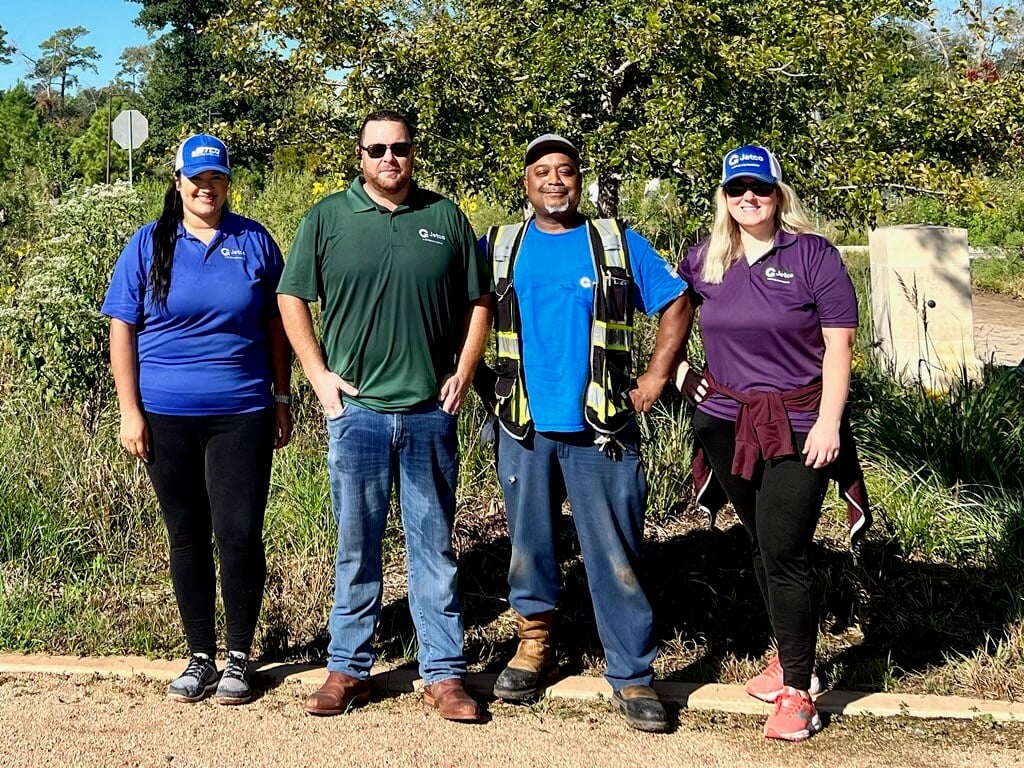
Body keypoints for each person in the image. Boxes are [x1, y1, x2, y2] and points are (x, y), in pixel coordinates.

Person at [277, 110, 493, 722]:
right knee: (356, 547)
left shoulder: (444, 216)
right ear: (360, 155)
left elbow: (480, 299)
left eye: (399, 148)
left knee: (433, 549)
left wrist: (466, 369)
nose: (389, 159)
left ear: (413, 153)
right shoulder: (328, 217)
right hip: (358, 413)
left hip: (429, 410)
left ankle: (445, 675)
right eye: (377, 149)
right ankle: (348, 667)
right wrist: (318, 378)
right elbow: (291, 296)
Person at [476, 134, 691, 733]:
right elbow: (459, 310)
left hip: (604, 427)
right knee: (529, 543)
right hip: (521, 422)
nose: (554, 181)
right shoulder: (497, 245)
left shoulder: (616, 243)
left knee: (616, 551)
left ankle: (632, 673)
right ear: (525, 181)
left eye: (565, 171)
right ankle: (534, 645)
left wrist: (656, 374)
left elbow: (676, 301)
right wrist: (469, 378)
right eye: (541, 170)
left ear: (580, 180)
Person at [677, 145, 869, 742]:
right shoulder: (704, 259)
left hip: (799, 421)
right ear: (724, 197)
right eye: (737, 190)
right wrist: (679, 372)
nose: (748, 199)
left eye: (759, 187)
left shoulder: (813, 256)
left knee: (786, 549)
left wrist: (830, 423)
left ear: (779, 192)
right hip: (723, 421)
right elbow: (665, 314)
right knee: (762, 543)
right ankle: (789, 658)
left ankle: (798, 691)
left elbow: (839, 348)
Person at [102, 134, 293, 705]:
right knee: (186, 536)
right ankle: (199, 656)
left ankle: (238, 656)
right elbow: (122, 327)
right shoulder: (149, 243)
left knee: (238, 533)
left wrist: (283, 399)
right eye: (196, 179)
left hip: (243, 412)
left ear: (227, 182)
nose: (206, 188)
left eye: (217, 179)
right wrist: (129, 411)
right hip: (166, 416)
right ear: (178, 182)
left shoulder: (254, 240)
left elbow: (279, 325)